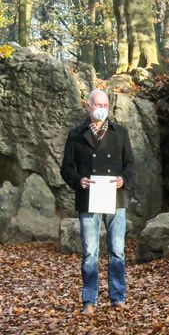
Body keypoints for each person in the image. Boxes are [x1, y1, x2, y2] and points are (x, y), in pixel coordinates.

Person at [60, 89, 135, 315]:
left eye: (105, 104)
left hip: (115, 198)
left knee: (118, 250)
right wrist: (78, 181)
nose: (102, 108)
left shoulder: (120, 133)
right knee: (90, 252)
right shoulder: (75, 135)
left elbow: (131, 164)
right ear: (88, 106)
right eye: (98, 104)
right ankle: (89, 301)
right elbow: (66, 168)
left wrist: (123, 179)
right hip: (88, 199)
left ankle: (118, 297)